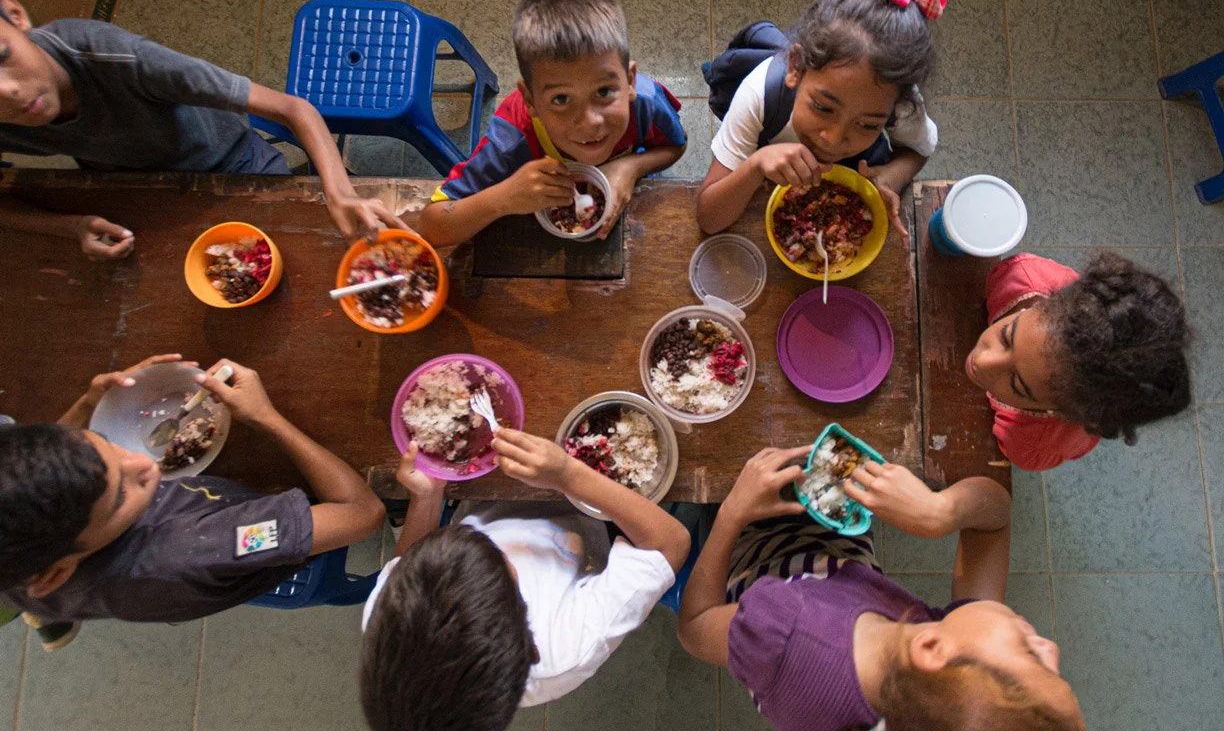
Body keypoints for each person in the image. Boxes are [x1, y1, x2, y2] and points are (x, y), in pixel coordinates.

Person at [676, 447, 1085, 731]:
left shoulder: (785, 633)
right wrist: (937, 513)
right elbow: (994, 518)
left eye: (1032, 655)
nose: (1052, 646)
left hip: (752, 557)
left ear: (931, 650)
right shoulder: (937, 688)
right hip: (839, 557)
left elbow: (695, 627)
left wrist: (732, 513)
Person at [0, 355, 385, 643]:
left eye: (106, 444)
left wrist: (89, 405)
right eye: (120, 493)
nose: (143, 463)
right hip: (255, 534)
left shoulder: (24, 566)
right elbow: (362, 514)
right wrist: (266, 418)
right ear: (55, 574)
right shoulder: (203, 546)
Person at [0, 0, 408, 261]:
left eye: (2, 56)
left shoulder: (116, 58)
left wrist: (339, 194)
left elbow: (293, 108)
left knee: (293, 251)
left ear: (15, 14)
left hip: (233, 161)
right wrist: (68, 226)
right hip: (132, 189)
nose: (10, 94)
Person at [359, 429, 690, 730]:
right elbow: (669, 544)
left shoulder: (390, 620)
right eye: (500, 558)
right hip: (591, 515)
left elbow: (405, 558)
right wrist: (567, 475)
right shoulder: (567, 649)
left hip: (490, 491)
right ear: (522, 616)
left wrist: (428, 499)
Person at [697, 0, 941, 240]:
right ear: (795, 68)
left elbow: (917, 150)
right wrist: (756, 165)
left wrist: (891, 178)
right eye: (823, 107)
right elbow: (708, 217)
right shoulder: (758, 94)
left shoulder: (902, 102)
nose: (833, 140)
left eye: (868, 124)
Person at [416, 0, 686, 246]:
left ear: (629, 81)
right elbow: (432, 224)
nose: (589, 122)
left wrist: (632, 167)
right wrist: (504, 198)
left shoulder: (646, 103)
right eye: (561, 99)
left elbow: (676, 144)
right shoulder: (511, 141)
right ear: (530, 100)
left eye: (603, 92)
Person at [966, 251, 1191, 471]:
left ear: (1057, 412)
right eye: (1006, 336)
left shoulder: (1031, 444)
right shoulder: (1021, 275)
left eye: (1016, 383)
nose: (983, 361)